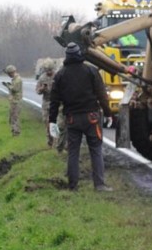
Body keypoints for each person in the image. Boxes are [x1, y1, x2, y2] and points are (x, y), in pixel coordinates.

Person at [48, 43, 113, 191]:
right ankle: (99, 184)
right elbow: (102, 95)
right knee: (95, 149)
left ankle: (73, 185)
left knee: (73, 152)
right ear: (80, 55)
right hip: (92, 118)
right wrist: (108, 113)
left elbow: (54, 101)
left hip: (72, 119)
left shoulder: (60, 75)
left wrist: (52, 121)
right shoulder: (91, 71)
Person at [35, 61, 56, 146]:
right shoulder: (42, 78)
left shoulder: (57, 76)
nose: (49, 72)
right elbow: (37, 90)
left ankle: (57, 141)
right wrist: (42, 89)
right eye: (47, 70)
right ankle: (50, 140)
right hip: (46, 102)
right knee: (47, 122)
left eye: (50, 70)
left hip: (56, 102)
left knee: (56, 123)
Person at [2, 64, 22, 136]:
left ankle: (16, 133)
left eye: (9, 74)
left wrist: (8, 86)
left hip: (16, 101)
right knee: (12, 117)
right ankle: (14, 131)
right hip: (14, 101)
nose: (8, 75)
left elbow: (15, 89)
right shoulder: (15, 79)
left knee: (15, 117)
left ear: (11, 72)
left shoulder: (17, 79)